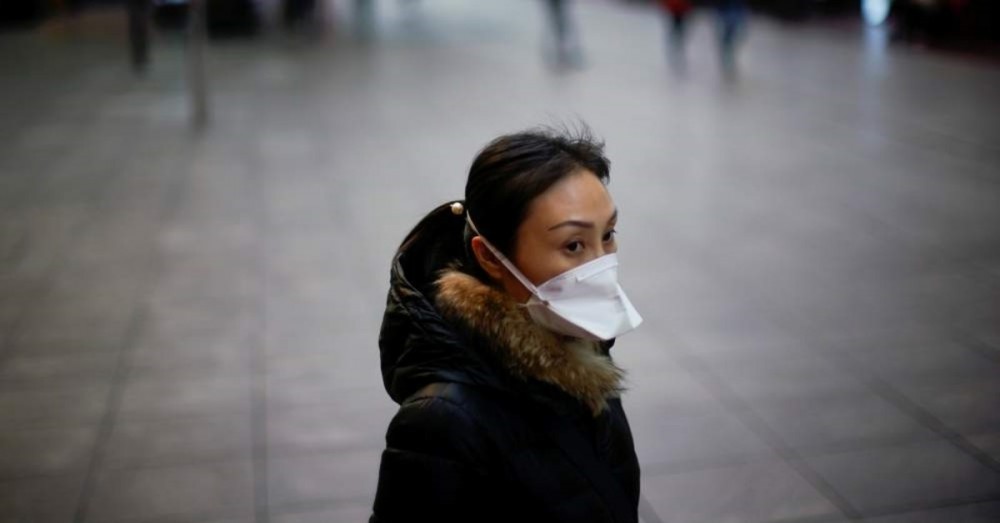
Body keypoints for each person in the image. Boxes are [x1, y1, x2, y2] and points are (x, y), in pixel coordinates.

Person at [370, 127, 644, 523]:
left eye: (608, 235)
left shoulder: (580, 350)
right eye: (573, 245)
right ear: (489, 257)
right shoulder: (441, 422)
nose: (601, 264)